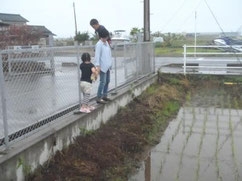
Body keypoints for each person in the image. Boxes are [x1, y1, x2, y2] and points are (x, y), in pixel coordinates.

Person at [94, 29, 112, 104]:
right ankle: (98, 97)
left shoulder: (106, 43)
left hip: (107, 66)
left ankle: (105, 95)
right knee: (102, 82)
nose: (106, 39)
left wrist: (110, 64)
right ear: (101, 37)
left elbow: (109, 54)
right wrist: (97, 66)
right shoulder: (99, 44)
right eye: (104, 37)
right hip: (102, 66)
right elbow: (97, 56)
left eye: (106, 37)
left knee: (107, 81)